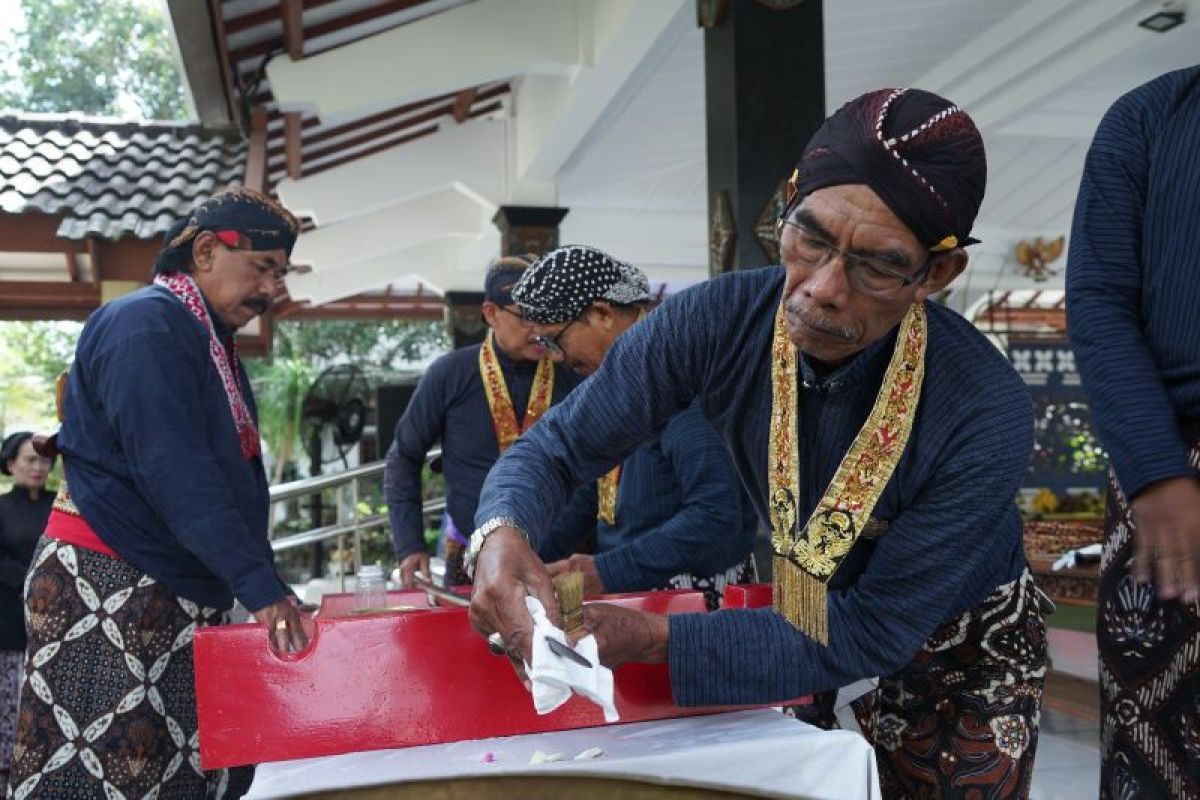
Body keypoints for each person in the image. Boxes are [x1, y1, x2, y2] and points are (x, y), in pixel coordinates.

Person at [469, 88, 1046, 798]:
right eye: (810, 239)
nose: (824, 288)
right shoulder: (715, 322)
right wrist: (499, 532)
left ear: (936, 273)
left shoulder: (983, 408)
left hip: (957, 642)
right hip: (803, 598)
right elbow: (557, 449)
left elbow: (873, 630)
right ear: (789, 204)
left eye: (878, 265)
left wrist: (654, 639)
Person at [7, 187, 306, 800]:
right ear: (204, 251)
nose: (271, 290)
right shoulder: (144, 321)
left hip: (160, 586)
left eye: (279, 273)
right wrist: (260, 587)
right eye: (262, 268)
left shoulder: (199, 330)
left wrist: (260, 575)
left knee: (172, 773)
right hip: (106, 587)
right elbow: (176, 468)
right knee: (104, 779)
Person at [1066, 66, 1200, 800]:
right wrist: (1157, 472)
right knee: (1157, 764)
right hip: (1173, 476)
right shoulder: (1149, 117)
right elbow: (1098, 299)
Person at [511, 245, 757, 610]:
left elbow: (715, 513)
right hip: (636, 588)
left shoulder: (683, 382)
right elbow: (589, 494)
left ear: (602, 314)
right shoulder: (618, 384)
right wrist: (522, 555)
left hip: (692, 600)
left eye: (555, 340)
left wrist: (606, 570)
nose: (556, 357)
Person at [384, 256, 592, 587]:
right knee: (469, 639)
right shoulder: (449, 374)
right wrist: (410, 544)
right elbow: (404, 457)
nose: (539, 331)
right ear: (491, 314)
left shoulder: (573, 373)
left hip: (558, 560)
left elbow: (593, 466)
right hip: (472, 555)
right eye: (526, 317)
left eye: (546, 317)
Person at [0, 432, 54, 792]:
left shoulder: (63, 504)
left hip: (58, 617)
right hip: (10, 615)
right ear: (10, 464)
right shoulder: (1, 507)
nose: (37, 467)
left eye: (43, 460)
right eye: (28, 459)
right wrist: (32, 582)